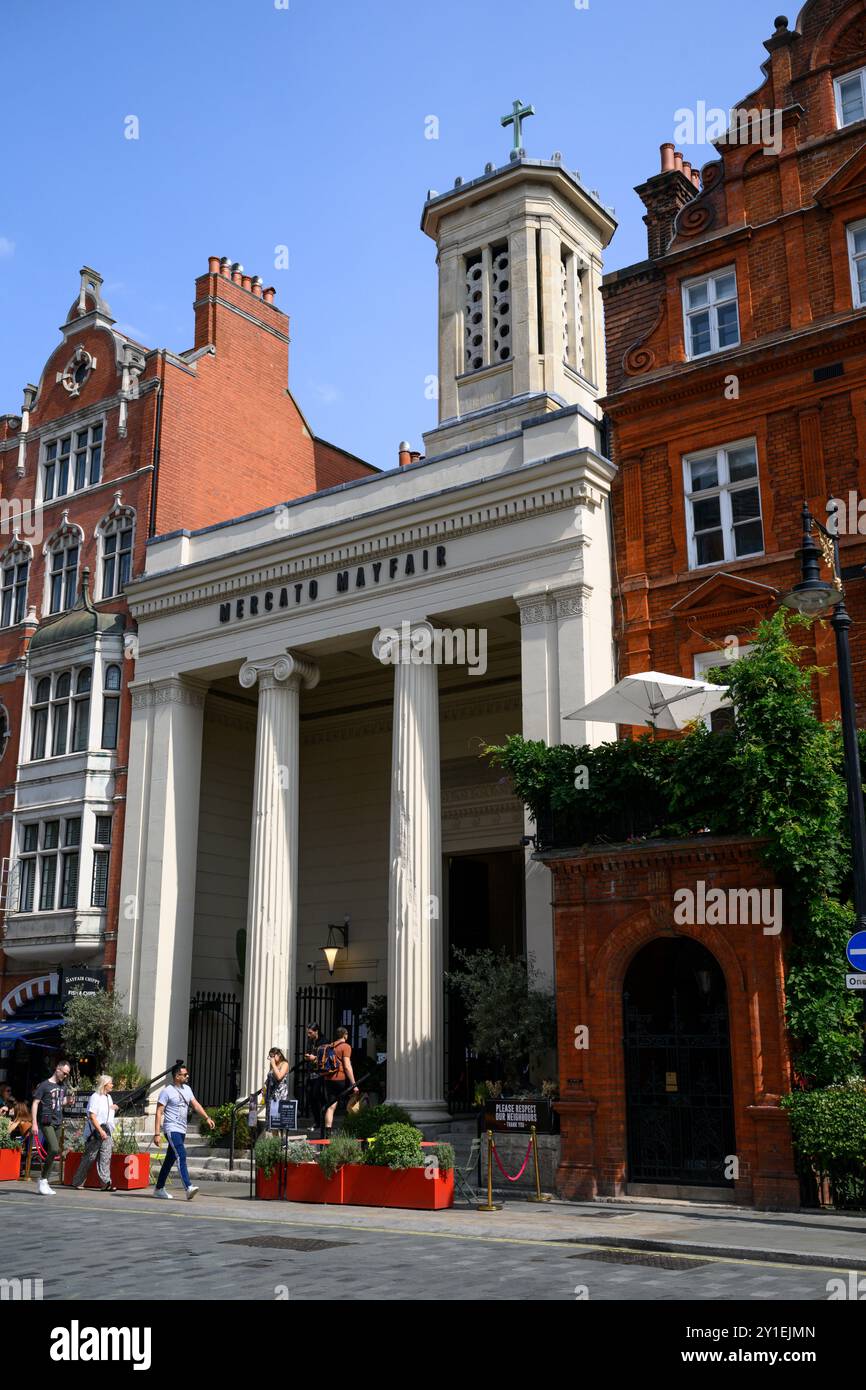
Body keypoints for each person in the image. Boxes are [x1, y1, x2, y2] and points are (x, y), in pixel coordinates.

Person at [153, 1062, 214, 1200]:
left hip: (181, 1129)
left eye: (187, 1074)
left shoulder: (187, 1089)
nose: (187, 1076)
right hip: (171, 1128)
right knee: (181, 1154)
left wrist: (207, 1117)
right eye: (184, 1074)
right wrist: (157, 1133)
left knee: (170, 1159)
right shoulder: (166, 1091)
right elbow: (158, 1112)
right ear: (177, 1076)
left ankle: (158, 1188)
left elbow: (196, 1104)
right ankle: (188, 1187)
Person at [30, 1060, 73, 1195]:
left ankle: (45, 1182)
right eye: (64, 1073)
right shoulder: (44, 1085)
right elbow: (35, 1103)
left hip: (58, 1121)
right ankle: (43, 1179)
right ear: (58, 1069)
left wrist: (69, 1102)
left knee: (55, 1150)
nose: (65, 1076)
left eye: (67, 1074)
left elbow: (60, 1103)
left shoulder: (62, 1087)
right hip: (46, 1121)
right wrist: (34, 1123)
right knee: (54, 1148)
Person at [70, 1075, 118, 1192]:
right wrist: (100, 1131)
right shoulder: (95, 1097)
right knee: (90, 1157)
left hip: (107, 1131)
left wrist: (113, 1108)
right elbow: (92, 1116)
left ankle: (106, 1183)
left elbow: (107, 1112)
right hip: (95, 1132)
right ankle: (77, 1181)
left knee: (105, 1157)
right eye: (111, 1083)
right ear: (105, 1084)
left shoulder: (109, 1097)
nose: (112, 1085)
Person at [320, 1026, 358, 1141]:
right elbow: (347, 1066)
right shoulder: (345, 1046)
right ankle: (350, 1129)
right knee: (351, 1101)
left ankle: (328, 1133)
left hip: (328, 1079)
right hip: (340, 1079)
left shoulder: (330, 1046)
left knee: (331, 1106)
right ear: (345, 1035)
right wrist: (354, 1084)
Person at [264, 1047, 290, 1130]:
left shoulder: (284, 1064)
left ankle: (279, 1140)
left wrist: (273, 1065)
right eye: (270, 1056)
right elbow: (270, 1077)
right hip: (270, 1095)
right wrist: (264, 1085)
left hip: (279, 1096)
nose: (271, 1058)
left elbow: (279, 1077)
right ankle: (272, 1141)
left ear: (278, 1055)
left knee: (277, 1121)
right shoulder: (273, 1065)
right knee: (270, 1121)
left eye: (272, 1056)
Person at [303, 1023, 322, 1131]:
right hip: (311, 1073)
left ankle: (321, 1120)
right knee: (311, 1097)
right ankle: (317, 1121)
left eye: (310, 1033)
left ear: (316, 1031)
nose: (308, 1035)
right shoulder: (310, 1041)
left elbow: (327, 1057)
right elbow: (308, 1053)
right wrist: (308, 1057)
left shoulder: (324, 1041)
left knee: (317, 1096)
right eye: (308, 1033)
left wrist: (314, 1058)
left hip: (321, 1074)